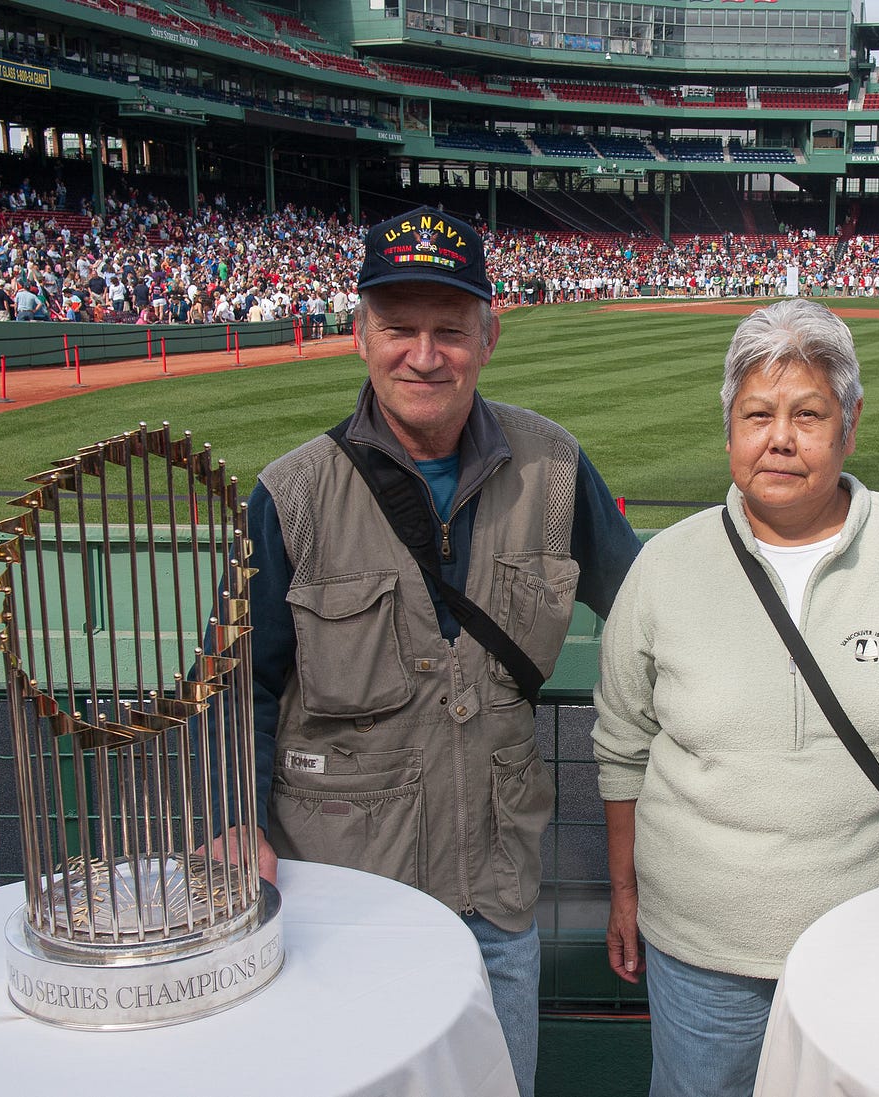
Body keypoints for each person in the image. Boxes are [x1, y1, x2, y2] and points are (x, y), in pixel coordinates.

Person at [215, 205, 640, 1097]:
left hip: (497, 891)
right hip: (344, 901)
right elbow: (235, 684)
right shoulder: (291, 494)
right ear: (360, 335)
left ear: (489, 336)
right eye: (399, 327)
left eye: (449, 329)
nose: (424, 353)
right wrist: (234, 815)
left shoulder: (554, 468)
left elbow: (650, 609)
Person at [592, 298, 879, 1097]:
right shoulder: (667, 566)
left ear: (850, 423)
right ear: (730, 427)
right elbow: (622, 746)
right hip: (703, 952)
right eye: (757, 414)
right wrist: (625, 892)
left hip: (875, 938)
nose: (780, 438)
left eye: (808, 413)